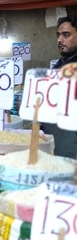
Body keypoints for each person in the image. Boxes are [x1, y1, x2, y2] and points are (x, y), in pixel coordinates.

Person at [42, 15, 77, 159]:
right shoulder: (60, 64)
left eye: (66, 35)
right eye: (58, 35)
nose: (59, 40)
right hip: (55, 139)